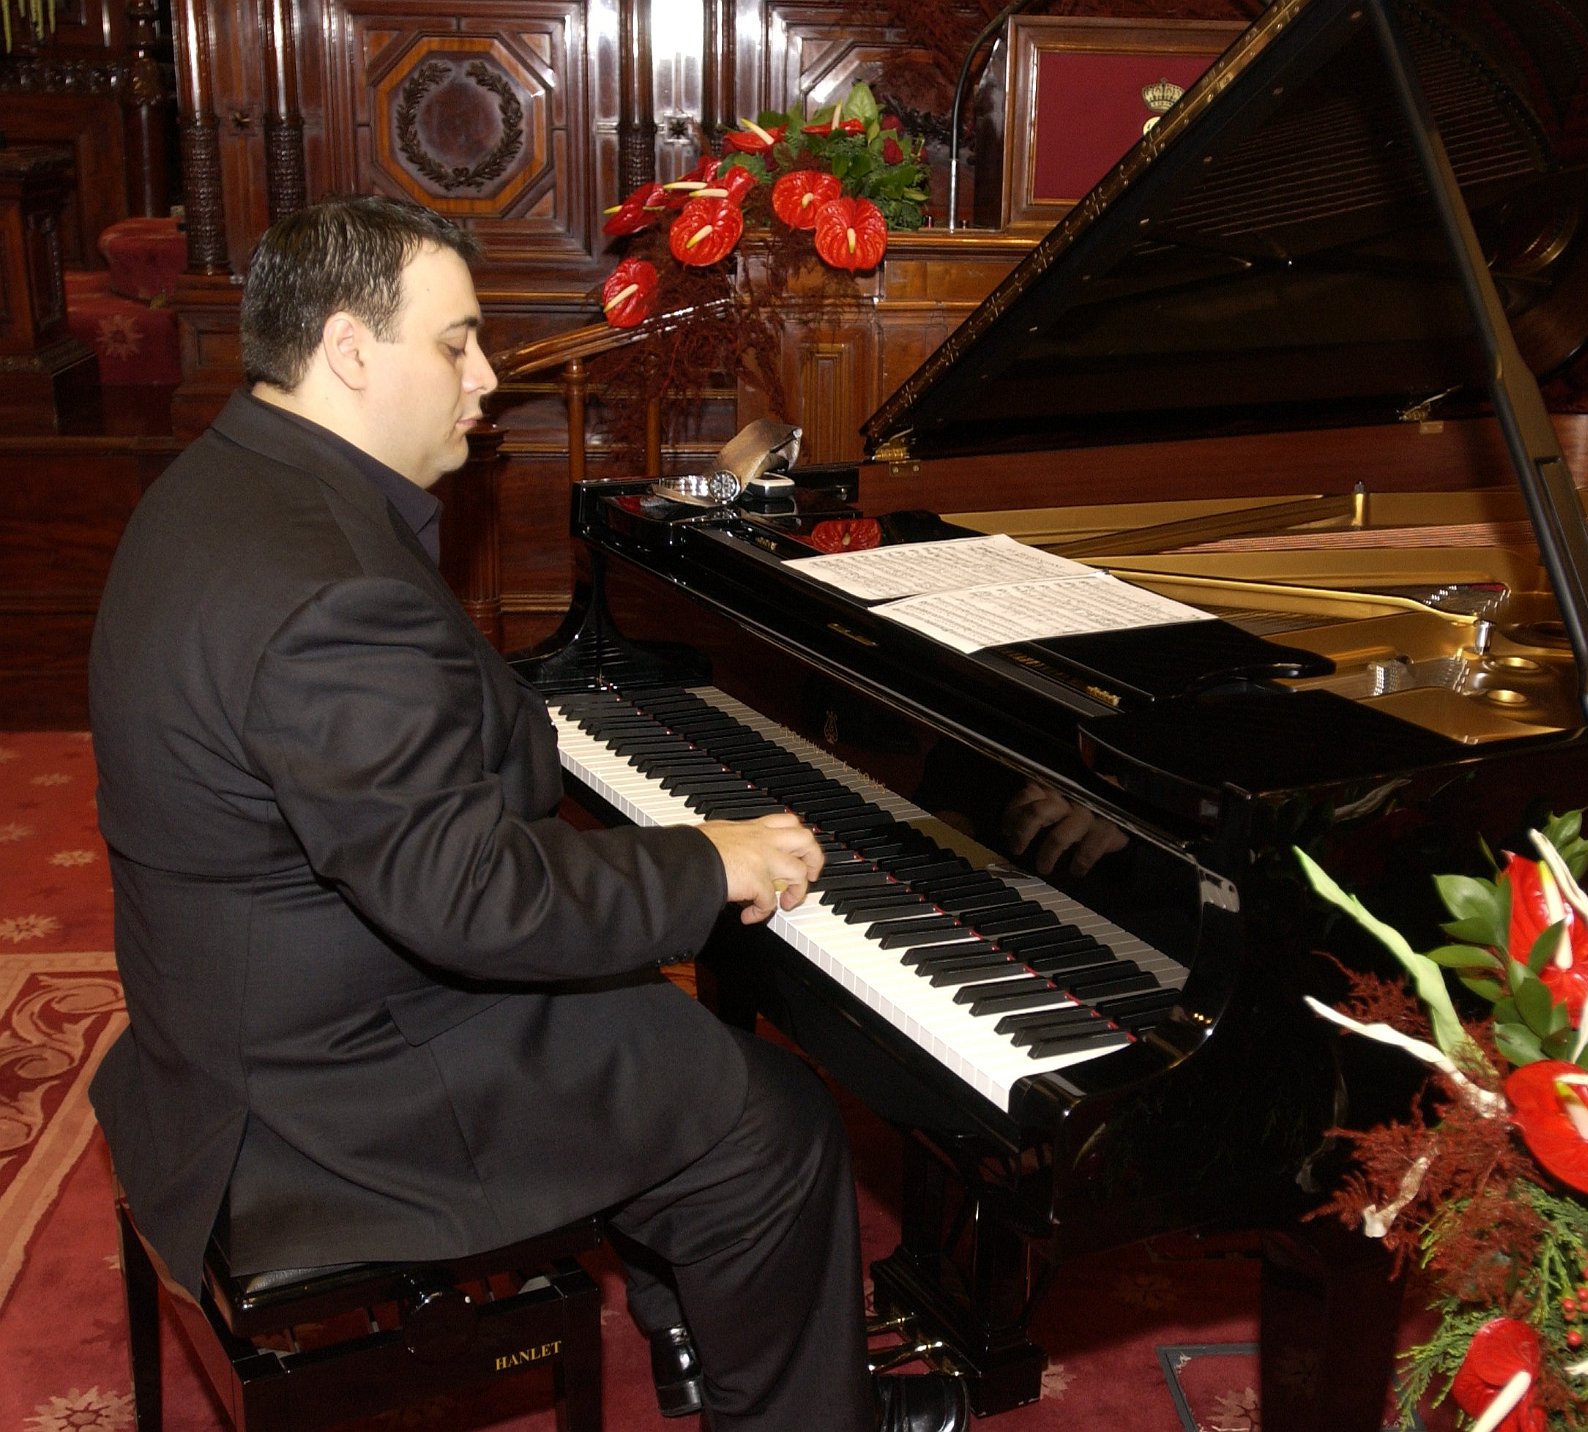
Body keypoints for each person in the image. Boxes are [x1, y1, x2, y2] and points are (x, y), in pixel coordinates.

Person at [87, 194, 967, 1432]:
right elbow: (470, 899)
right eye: (455, 342)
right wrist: (702, 859)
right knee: (770, 1116)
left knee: (649, 1041)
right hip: (333, 1092)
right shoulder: (328, 589)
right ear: (348, 350)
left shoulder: (227, 485)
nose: (486, 377)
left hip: (241, 1010)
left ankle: (704, 1341)